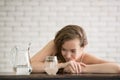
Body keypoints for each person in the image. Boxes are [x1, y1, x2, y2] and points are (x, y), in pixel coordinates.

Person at [31, 25, 120, 74]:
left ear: (83, 47)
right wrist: (61, 66)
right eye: (63, 49)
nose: (68, 55)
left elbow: (117, 68)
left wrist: (81, 68)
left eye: (73, 51)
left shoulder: (85, 58)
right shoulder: (54, 45)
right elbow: (30, 65)